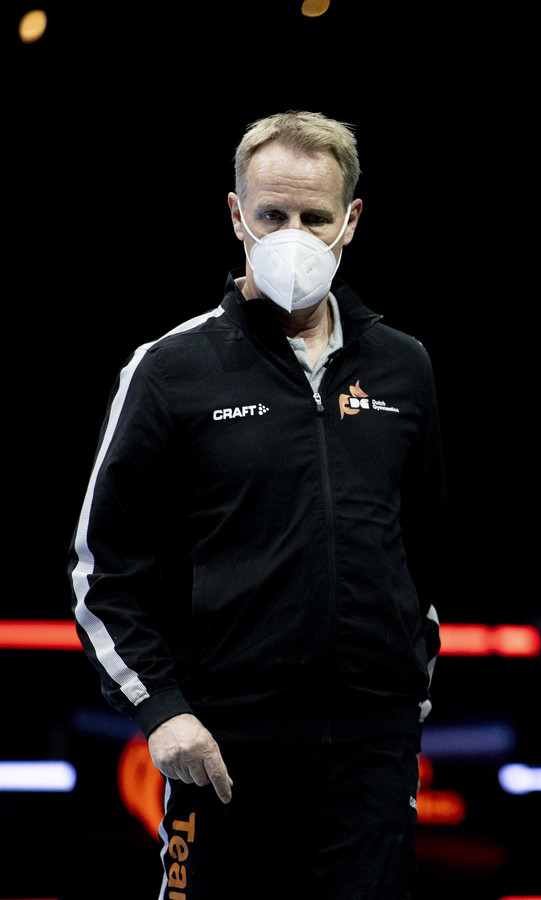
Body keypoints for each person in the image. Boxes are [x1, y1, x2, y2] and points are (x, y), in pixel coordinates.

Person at [68, 111, 446, 899]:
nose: (295, 235)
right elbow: (102, 573)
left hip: (371, 750)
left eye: (316, 216)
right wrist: (162, 711)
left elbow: (424, 547)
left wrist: (409, 689)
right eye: (273, 215)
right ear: (237, 215)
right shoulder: (168, 370)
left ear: (353, 222)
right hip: (223, 746)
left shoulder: (404, 367)